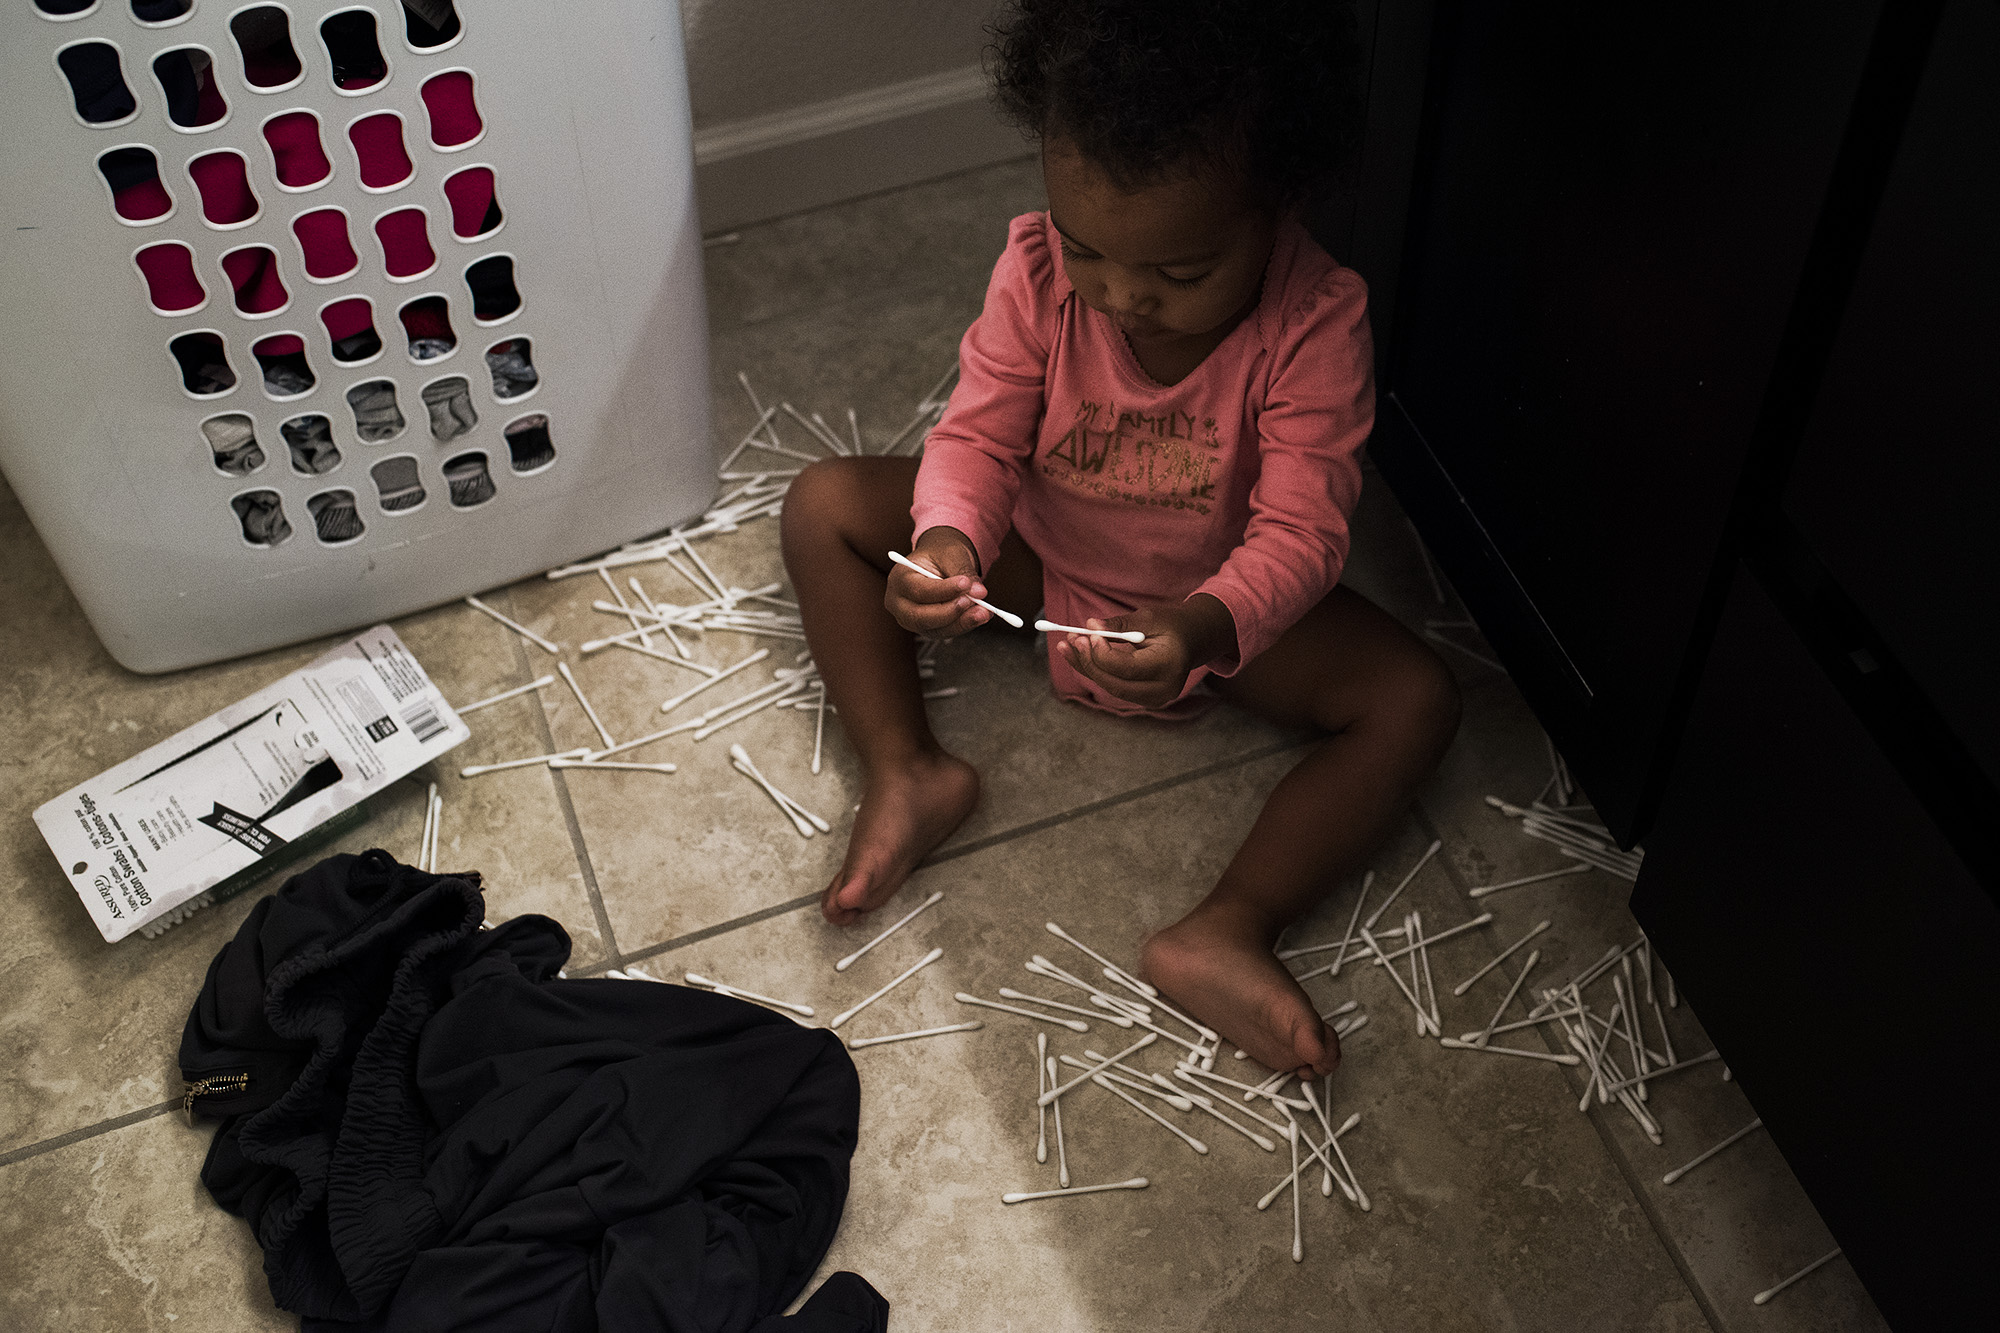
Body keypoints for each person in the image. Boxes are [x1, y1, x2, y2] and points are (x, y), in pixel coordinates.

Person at [779, 0, 1460, 1081]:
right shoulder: (1040, 272)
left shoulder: (1315, 319)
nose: (1123, 296)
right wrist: (948, 540)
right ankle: (905, 770)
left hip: (1208, 596)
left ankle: (1229, 924)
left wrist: (1200, 624)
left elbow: (1302, 531)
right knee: (822, 505)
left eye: (1181, 273)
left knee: (1413, 700)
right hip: (1042, 555)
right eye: (1085, 248)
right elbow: (978, 430)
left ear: (1275, 205)